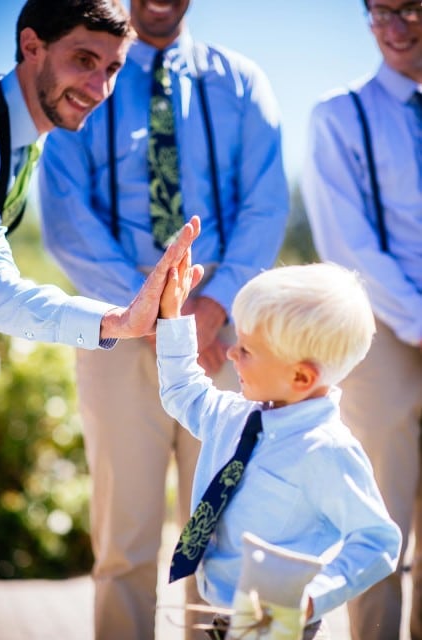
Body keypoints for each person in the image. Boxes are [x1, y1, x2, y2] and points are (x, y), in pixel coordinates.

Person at [38, 1, 289, 638]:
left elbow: (264, 204)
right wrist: (151, 313)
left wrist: (209, 306)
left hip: (228, 339)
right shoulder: (84, 81)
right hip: (117, 335)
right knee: (124, 544)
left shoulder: (241, 82)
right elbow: (67, 216)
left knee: (220, 532)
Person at [155, 258, 402, 640]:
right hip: (219, 612)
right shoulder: (233, 415)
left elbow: (378, 540)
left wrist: (309, 598)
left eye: (247, 350)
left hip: (276, 623)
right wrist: (171, 319)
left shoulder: (326, 450)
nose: (232, 353)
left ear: (301, 376)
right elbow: (182, 391)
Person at [301, 1, 422, 638]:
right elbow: (348, 245)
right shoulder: (340, 115)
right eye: (381, 12)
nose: (396, 27)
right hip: (385, 336)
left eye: (413, 9)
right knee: (380, 528)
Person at [0, 0, 199, 348]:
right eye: (84, 60)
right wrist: (118, 321)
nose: (99, 89)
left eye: (112, 68)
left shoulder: (29, 137)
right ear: (31, 47)